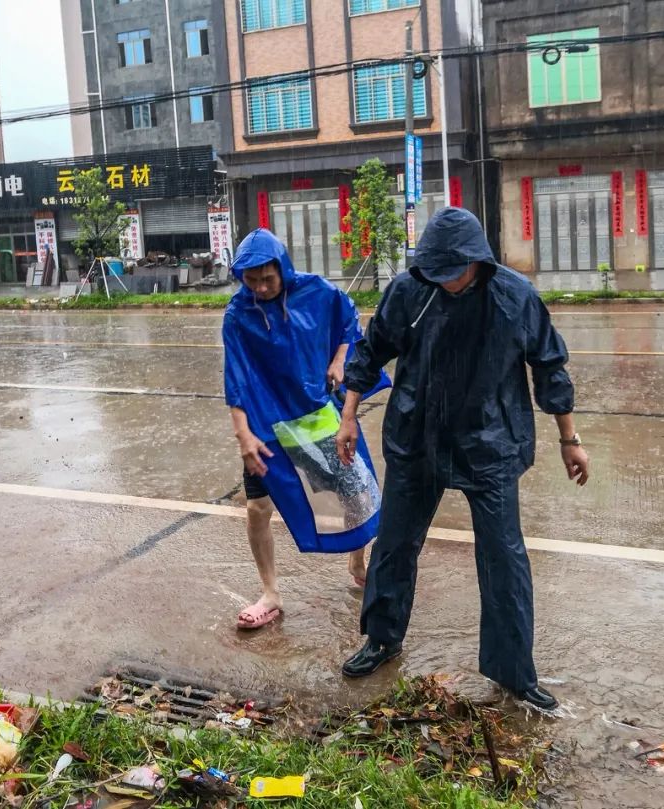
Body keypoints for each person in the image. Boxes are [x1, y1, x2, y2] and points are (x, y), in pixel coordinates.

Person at [335, 208, 590, 711]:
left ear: (477, 262)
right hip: (417, 434)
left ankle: (513, 671)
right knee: (395, 544)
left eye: (451, 270)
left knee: (503, 557)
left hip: (489, 441)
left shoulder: (516, 297)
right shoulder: (409, 291)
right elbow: (371, 351)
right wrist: (348, 416)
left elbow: (550, 368)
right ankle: (382, 638)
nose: (442, 279)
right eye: (434, 269)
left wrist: (569, 438)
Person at [223, 228, 381, 630]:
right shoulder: (238, 315)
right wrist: (243, 434)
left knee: (354, 495)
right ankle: (270, 593)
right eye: (251, 279)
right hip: (267, 425)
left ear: (283, 269)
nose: (259, 287)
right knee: (258, 508)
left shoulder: (316, 292)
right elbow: (236, 378)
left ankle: (358, 557)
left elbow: (349, 320)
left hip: (317, 415)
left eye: (267, 278)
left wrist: (342, 358)